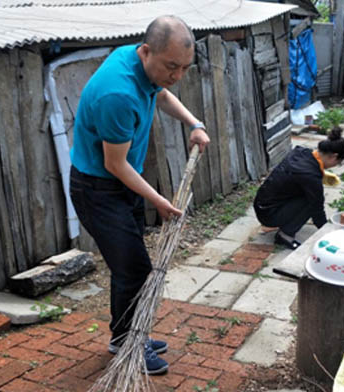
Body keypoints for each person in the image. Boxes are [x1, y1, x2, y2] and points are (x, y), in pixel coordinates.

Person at [69, 15, 209, 375]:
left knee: (127, 266)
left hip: (118, 184)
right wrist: (160, 202)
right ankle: (127, 341)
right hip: (98, 188)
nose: (176, 76)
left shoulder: (141, 65)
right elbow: (115, 164)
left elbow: (160, 94)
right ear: (146, 51)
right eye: (170, 66)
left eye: (184, 68)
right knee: (136, 268)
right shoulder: (118, 93)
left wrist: (193, 124)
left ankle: (125, 335)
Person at [253, 129, 344, 250]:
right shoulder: (310, 176)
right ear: (334, 157)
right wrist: (327, 231)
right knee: (311, 200)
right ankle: (285, 235)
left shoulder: (302, 152)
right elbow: (317, 208)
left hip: (262, 205)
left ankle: (282, 221)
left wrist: (320, 175)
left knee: (310, 194)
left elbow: (296, 175)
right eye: (339, 162)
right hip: (269, 214)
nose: (336, 165)